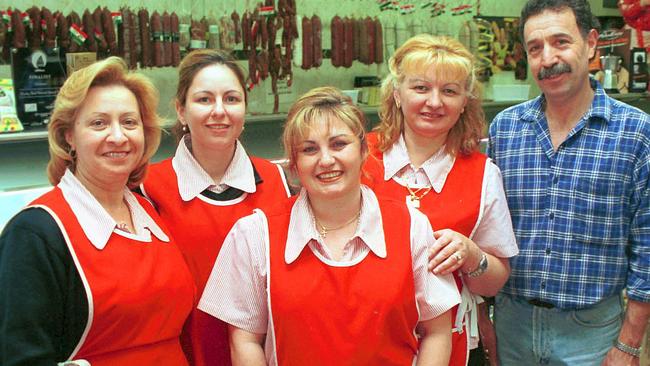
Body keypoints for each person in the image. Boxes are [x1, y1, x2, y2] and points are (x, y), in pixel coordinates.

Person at [197, 86, 461, 366]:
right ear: (295, 164)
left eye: (338, 144)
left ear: (362, 150)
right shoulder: (254, 234)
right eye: (309, 149)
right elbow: (245, 340)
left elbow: (437, 332)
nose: (326, 160)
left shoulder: (411, 227)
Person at [0, 57, 195, 365]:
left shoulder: (149, 211)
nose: (118, 137)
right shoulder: (35, 233)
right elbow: (20, 358)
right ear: (68, 136)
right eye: (99, 123)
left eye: (129, 123)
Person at [488, 0, 650, 365]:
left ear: (590, 43)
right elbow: (488, 231)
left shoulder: (636, 132)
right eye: (535, 48)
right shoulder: (505, 129)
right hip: (512, 321)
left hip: (591, 331)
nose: (547, 59)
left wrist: (629, 343)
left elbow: (648, 248)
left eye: (561, 42)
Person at [362, 34, 518, 366]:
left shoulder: (483, 173)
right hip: (363, 338)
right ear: (397, 94)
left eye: (449, 91)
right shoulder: (359, 157)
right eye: (421, 88)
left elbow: (494, 282)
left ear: (465, 102)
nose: (434, 102)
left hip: (453, 345)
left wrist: (472, 254)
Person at [140, 49, 291, 366]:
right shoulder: (148, 188)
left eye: (232, 99)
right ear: (181, 110)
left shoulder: (277, 181)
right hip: (182, 355)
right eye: (204, 99)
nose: (219, 111)